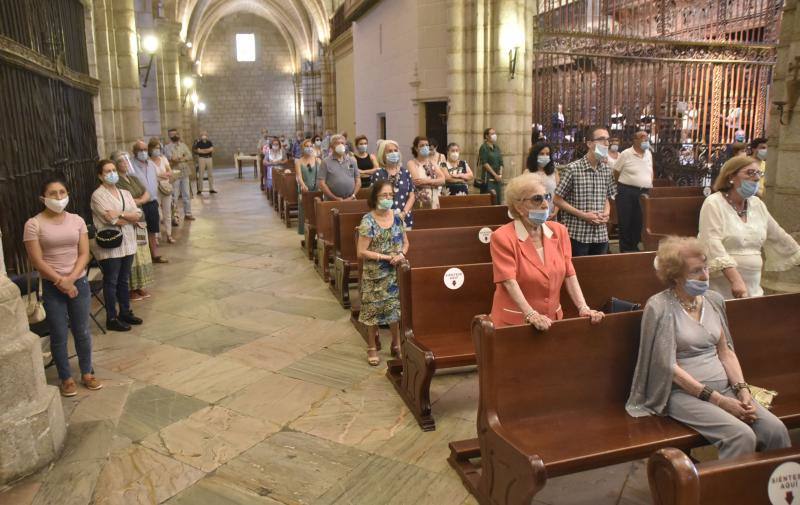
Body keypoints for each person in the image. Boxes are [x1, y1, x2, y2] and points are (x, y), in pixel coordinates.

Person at [625, 236, 790, 459]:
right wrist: (719, 401)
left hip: (727, 389)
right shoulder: (660, 306)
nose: (705, 276)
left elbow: (726, 352)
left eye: (706, 268)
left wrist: (743, 391)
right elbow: (668, 366)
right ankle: (726, 493)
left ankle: (768, 492)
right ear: (675, 275)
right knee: (741, 436)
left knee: (775, 430)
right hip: (682, 395)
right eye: (695, 271)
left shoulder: (713, 300)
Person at [490, 172, 604, 329]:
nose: (545, 204)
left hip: (553, 320)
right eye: (537, 199)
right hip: (515, 324)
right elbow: (509, 282)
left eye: (547, 197)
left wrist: (583, 307)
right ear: (518, 206)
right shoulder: (502, 237)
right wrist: (530, 314)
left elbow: (569, 274)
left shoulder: (559, 231)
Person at [24, 177, 101, 396]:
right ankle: (66, 377)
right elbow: (37, 261)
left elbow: (84, 253)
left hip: (78, 281)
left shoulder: (76, 220)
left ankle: (87, 372)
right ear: (43, 198)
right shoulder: (34, 224)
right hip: (52, 285)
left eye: (62, 192)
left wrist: (72, 279)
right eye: (53, 193)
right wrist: (61, 281)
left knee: (82, 330)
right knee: (58, 333)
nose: (58, 197)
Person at [698, 156, 800, 299]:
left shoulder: (757, 204)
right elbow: (711, 243)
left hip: (753, 287)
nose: (756, 178)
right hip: (722, 286)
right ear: (731, 176)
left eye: (759, 173)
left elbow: (778, 236)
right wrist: (736, 279)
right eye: (750, 173)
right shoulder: (713, 203)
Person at [356, 179, 409, 365]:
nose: (388, 198)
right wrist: (386, 257)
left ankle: (396, 344)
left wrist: (401, 254)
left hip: (394, 272)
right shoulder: (368, 221)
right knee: (373, 311)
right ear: (375, 197)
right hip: (374, 274)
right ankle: (372, 346)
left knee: (394, 310)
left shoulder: (396, 218)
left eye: (391, 195)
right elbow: (361, 252)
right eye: (384, 195)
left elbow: (406, 242)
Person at [90, 160, 144, 332]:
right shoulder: (98, 195)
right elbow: (111, 219)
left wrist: (121, 214)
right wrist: (126, 217)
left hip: (128, 241)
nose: (112, 173)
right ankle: (111, 317)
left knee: (124, 279)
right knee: (111, 280)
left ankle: (125, 312)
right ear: (100, 175)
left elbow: (137, 214)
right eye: (107, 171)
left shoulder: (125, 192)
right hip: (111, 243)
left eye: (113, 170)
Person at [554, 125, 618, 256]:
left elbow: (606, 197)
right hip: (578, 234)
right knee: (578, 273)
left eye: (607, 140)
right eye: (601, 139)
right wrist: (583, 215)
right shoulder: (573, 169)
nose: (606, 143)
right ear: (589, 143)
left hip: (600, 234)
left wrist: (606, 212)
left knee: (598, 273)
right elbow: (557, 199)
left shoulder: (606, 170)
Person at [112, 151, 155, 301]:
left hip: (140, 218)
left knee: (142, 252)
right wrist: (137, 201)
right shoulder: (116, 182)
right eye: (123, 161)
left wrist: (140, 200)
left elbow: (146, 193)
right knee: (133, 254)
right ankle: (131, 287)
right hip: (130, 220)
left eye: (127, 160)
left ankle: (140, 285)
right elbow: (125, 201)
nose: (126, 163)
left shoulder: (133, 178)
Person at [613, 130, 654, 253]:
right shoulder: (626, 154)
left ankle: (634, 246)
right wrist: (623, 185)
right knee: (626, 221)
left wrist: (648, 183)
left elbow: (650, 170)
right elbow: (616, 171)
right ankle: (625, 249)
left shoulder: (648, 154)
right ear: (635, 140)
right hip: (627, 191)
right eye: (642, 137)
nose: (646, 140)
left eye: (647, 137)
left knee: (639, 221)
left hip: (644, 193)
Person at [131, 141, 167, 264]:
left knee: (152, 229)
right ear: (134, 152)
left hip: (152, 201)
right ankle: (142, 258)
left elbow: (155, 178)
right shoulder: (131, 165)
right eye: (140, 150)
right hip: (139, 203)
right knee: (140, 230)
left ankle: (155, 255)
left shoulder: (151, 164)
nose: (143, 152)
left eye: (145, 149)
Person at [372, 140, 415, 228]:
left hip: (404, 218)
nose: (394, 153)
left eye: (395, 150)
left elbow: (412, 196)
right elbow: (374, 198)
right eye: (390, 151)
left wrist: (404, 213)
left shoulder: (406, 173)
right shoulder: (378, 174)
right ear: (383, 155)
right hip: (384, 219)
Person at [163, 128, 195, 223]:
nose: (174, 136)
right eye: (171, 134)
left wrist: (179, 158)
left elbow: (189, 156)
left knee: (186, 194)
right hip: (175, 173)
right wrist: (182, 157)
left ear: (178, 134)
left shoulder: (183, 145)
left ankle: (188, 213)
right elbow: (172, 159)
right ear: (169, 136)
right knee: (174, 195)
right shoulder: (167, 147)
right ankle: (174, 216)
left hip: (185, 172)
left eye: (175, 134)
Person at [148, 138, 175, 244]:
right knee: (157, 214)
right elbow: (149, 176)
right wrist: (159, 175)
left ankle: (169, 234)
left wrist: (167, 174)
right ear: (150, 149)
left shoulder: (163, 158)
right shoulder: (148, 162)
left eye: (159, 148)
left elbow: (169, 170)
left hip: (165, 187)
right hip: (154, 189)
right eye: (155, 148)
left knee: (167, 212)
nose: (157, 150)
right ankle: (157, 236)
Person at [318, 134, 360, 201]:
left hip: (351, 199)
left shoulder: (352, 160)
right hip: (332, 201)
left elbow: (358, 180)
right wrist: (334, 198)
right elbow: (321, 183)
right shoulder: (325, 162)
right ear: (331, 146)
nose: (340, 145)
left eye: (342, 143)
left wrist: (352, 196)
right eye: (337, 143)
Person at [407, 136, 445, 209]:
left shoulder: (433, 163)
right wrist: (435, 182)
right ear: (416, 148)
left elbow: (442, 180)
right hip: (421, 200)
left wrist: (426, 181)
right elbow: (417, 182)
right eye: (422, 145)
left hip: (435, 199)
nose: (425, 147)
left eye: (427, 145)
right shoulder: (412, 163)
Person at [295, 139, 321, 235]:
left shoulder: (318, 160)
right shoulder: (299, 162)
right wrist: (303, 185)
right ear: (302, 148)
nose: (309, 148)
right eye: (306, 146)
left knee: (316, 211)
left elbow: (321, 176)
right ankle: (305, 233)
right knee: (304, 211)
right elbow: (299, 177)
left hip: (317, 190)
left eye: (310, 146)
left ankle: (316, 232)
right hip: (304, 190)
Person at [478, 127, 504, 203]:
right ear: (486, 136)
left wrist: (500, 174)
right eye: (492, 134)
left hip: (497, 179)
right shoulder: (484, 147)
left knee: (497, 200)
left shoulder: (497, 147)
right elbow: (485, 163)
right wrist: (495, 175)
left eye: (495, 133)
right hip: (488, 179)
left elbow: (501, 162)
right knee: (489, 200)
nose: (494, 135)